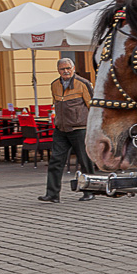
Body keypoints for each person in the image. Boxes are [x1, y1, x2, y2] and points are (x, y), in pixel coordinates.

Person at [39, 58, 97, 202]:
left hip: (80, 128)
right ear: (58, 70)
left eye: (68, 68)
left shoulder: (83, 84)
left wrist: (93, 127)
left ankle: (90, 191)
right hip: (61, 129)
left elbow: (93, 106)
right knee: (55, 161)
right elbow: (55, 104)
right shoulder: (54, 85)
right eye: (62, 69)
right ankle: (52, 194)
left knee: (85, 161)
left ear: (73, 68)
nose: (65, 71)